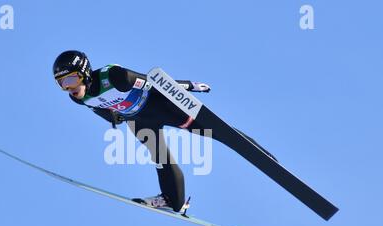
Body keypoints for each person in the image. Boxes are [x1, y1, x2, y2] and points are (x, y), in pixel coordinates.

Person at [53, 50, 275, 213]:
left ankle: (260, 153)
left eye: (71, 79)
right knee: (160, 158)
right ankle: (172, 200)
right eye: (61, 84)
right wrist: (115, 118)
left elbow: (154, 83)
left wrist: (189, 86)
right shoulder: (79, 100)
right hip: (138, 120)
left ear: (84, 73)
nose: (68, 88)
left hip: (160, 106)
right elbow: (102, 109)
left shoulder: (113, 77)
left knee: (213, 132)